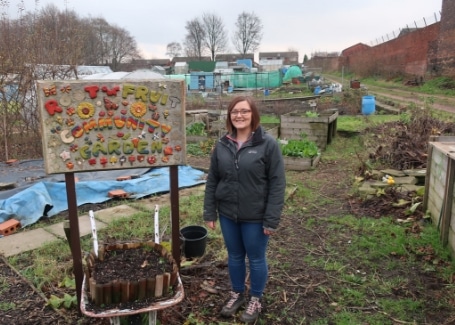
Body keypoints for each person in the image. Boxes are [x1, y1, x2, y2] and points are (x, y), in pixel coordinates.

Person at [203, 95, 286, 323]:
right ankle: (237, 293)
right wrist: (210, 212)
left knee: (256, 258)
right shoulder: (222, 144)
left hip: (256, 217)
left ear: (253, 115)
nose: (239, 115)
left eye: (244, 111)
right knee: (235, 256)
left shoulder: (267, 144)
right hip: (228, 214)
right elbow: (213, 180)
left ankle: (256, 298)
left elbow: (278, 183)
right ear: (229, 116)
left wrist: (271, 219)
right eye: (234, 112)